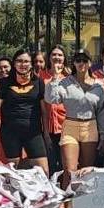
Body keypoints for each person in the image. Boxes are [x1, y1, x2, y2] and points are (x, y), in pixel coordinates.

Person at [46, 48, 104, 203]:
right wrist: (54, 78)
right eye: (78, 60)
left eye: (84, 60)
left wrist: (103, 135)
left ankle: (84, 206)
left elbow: (103, 112)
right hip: (71, 125)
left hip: (91, 126)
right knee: (70, 170)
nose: (81, 63)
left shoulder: (98, 86)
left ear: (90, 63)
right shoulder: (65, 82)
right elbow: (51, 99)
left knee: (86, 170)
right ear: (73, 63)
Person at [0, 49, 49, 175]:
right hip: (10, 133)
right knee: (13, 173)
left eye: (26, 61)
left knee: (43, 172)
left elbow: (44, 111)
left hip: (33, 132)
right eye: (19, 61)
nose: (23, 64)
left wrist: (46, 133)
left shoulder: (39, 82)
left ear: (31, 64)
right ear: (14, 64)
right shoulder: (4, 82)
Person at [41, 45, 69, 176]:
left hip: (66, 126)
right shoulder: (41, 76)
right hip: (47, 127)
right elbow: (42, 106)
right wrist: (45, 131)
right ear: (49, 57)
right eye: (54, 54)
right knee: (51, 164)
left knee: (66, 163)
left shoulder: (69, 77)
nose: (57, 57)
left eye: (60, 55)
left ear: (64, 58)